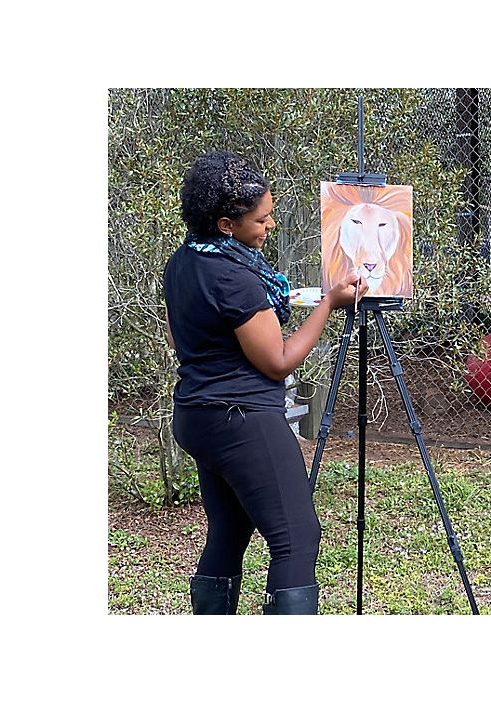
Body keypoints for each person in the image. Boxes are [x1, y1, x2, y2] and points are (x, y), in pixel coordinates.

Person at [163, 151, 361, 615]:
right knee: (297, 536)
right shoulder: (235, 277)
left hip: (196, 415)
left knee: (229, 530)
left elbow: (177, 335)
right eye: (261, 219)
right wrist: (328, 304)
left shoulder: (184, 260)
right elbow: (278, 362)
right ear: (226, 224)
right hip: (241, 418)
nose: (270, 225)